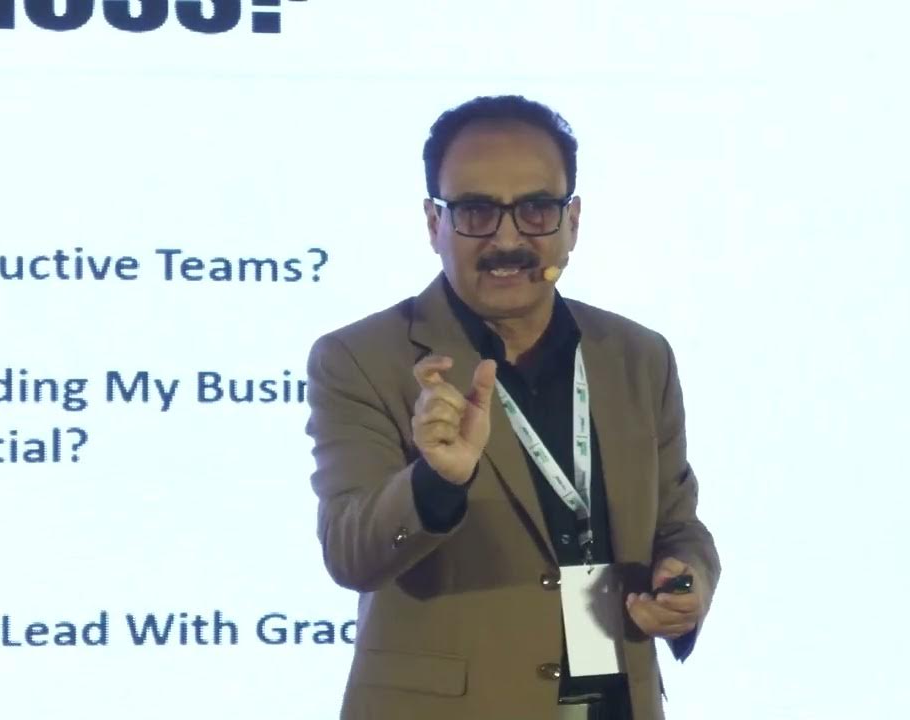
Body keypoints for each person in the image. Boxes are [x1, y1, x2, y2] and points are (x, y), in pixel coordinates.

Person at [304, 95, 720, 720]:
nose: (507, 239)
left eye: (535, 210)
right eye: (475, 211)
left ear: (571, 221)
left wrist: (687, 581)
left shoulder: (638, 356)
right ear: (433, 223)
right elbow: (350, 553)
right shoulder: (360, 358)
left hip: (616, 701)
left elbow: (677, 523)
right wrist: (435, 481)